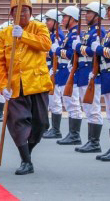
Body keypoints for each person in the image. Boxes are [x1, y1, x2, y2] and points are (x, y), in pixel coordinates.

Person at [0, 0, 52, 175]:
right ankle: (26, 161)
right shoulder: (4, 34)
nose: (22, 14)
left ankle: (27, 151)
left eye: (25, 11)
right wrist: (3, 87)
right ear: (12, 14)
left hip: (37, 83)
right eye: (17, 11)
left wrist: (24, 35)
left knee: (41, 123)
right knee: (18, 123)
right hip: (15, 87)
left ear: (30, 12)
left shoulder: (39, 27)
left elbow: (46, 45)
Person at [73, 2, 106, 153]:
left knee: (93, 108)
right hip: (84, 73)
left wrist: (79, 47)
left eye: (90, 13)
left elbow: (94, 52)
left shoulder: (100, 32)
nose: (86, 15)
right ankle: (91, 140)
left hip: (93, 73)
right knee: (87, 107)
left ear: (97, 16)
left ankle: (95, 142)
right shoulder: (89, 32)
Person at [49, 6, 83, 145]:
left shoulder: (75, 35)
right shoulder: (70, 34)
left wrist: (57, 50)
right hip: (63, 73)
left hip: (70, 72)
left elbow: (71, 54)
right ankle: (71, 134)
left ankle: (75, 135)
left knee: (73, 104)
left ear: (72, 18)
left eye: (65, 17)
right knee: (68, 104)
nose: (62, 20)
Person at [41, 8, 64, 138]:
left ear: (56, 22)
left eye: (49, 20)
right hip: (47, 68)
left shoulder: (59, 36)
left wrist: (48, 53)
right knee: (48, 100)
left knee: (54, 100)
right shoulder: (50, 35)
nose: (46, 23)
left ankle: (56, 129)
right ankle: (47, 127)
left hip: (54, 68)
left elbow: (57, 54)